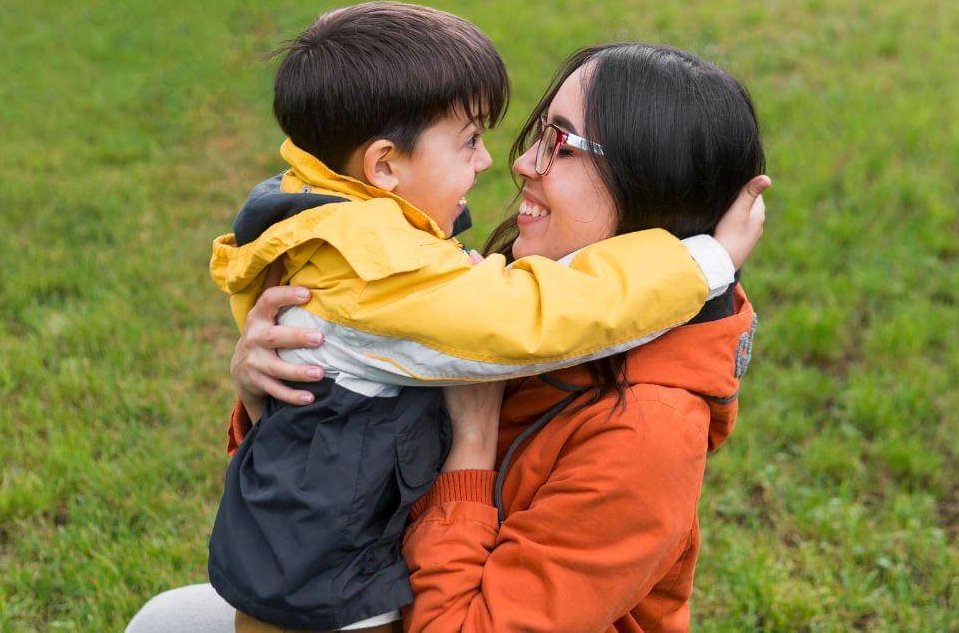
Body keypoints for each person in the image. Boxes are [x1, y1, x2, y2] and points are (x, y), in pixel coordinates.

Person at [127, 38, 768, 632]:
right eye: (539, 132)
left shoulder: (647, 431)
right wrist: (284, 381)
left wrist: (470, 447)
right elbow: (344, 471)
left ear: (650, 185)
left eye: (563, 144)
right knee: (161, 621)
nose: (519, 162)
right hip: (388, 590)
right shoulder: (509, 296)